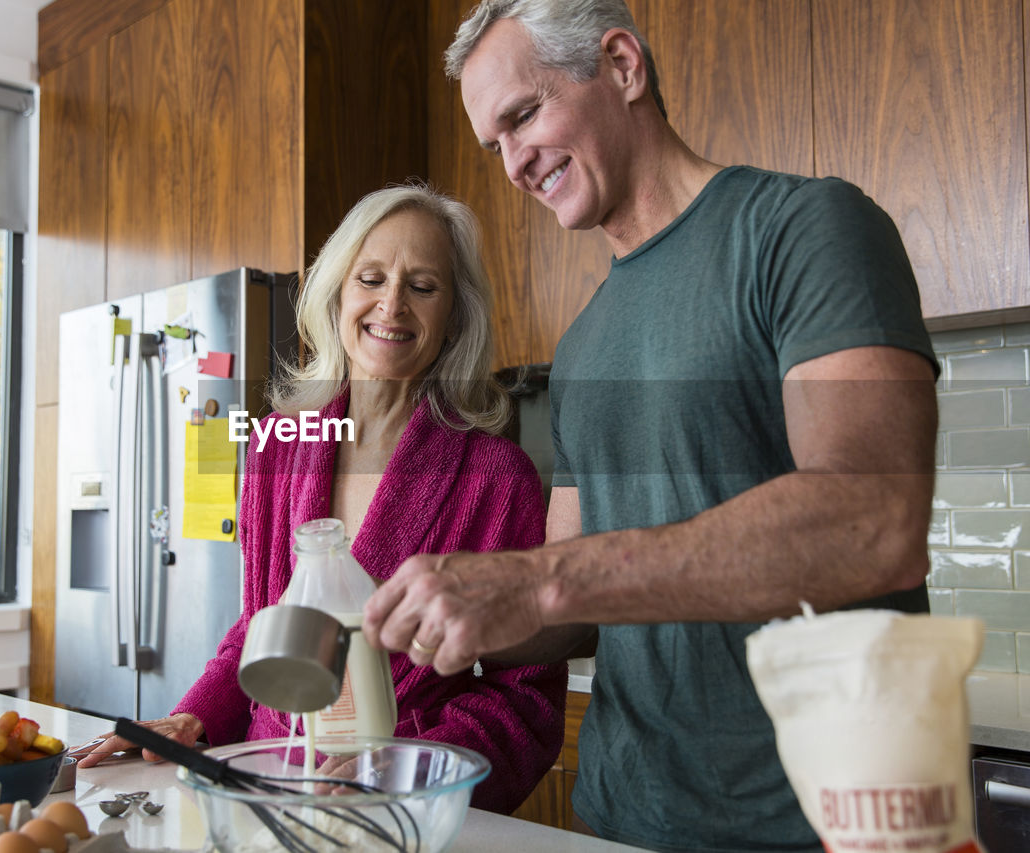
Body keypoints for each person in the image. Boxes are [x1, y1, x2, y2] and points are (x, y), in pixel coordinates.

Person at [361, 2, 940, 851]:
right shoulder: (585, 341)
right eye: (495, 145)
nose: (515, 163)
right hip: (622, 816)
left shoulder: (806, 231)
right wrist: (422, 616)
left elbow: (872, 523)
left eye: (524, 116)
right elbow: (574, 606)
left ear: (623, 66)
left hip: (815, 823)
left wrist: (536, 581)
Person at [77, 183, 568, 815]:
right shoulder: (279, 448)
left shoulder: (496, 478)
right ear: (338, 292)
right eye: (370, 278)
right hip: (262, 796)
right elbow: (261, 626)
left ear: (453, 318)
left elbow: (524, 696)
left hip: (399, 810)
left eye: (423, 286)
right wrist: (192, 717)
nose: (392, 304)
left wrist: (414, 767)